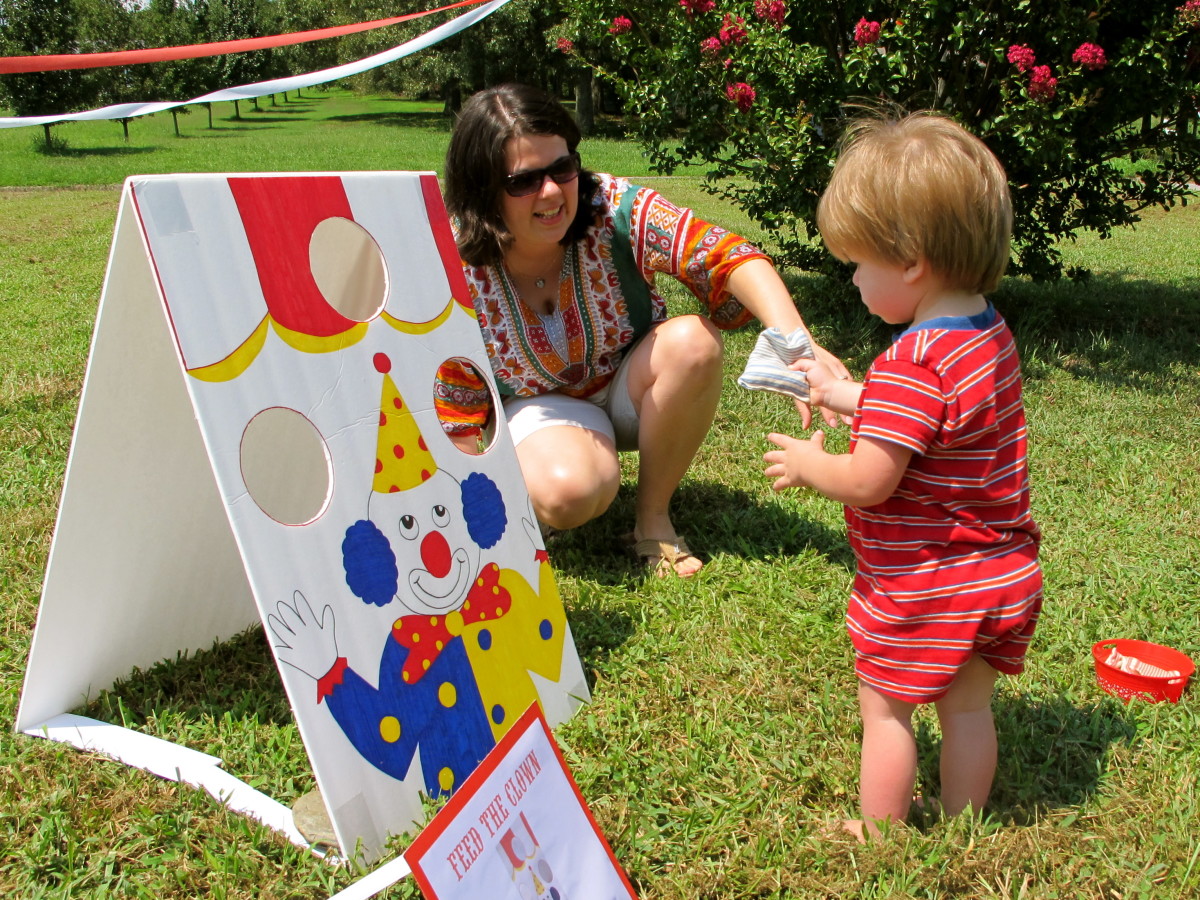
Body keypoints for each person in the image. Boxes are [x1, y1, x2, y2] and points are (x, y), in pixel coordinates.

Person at [761, 113, 1042, 839]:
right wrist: (846, 395)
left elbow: (871, 479)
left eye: (857, 262)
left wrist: (809, 464)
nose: (852, 278)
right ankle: (963, 822)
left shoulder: (911, 362)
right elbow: (940, 424)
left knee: (886, 708)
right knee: (968, 709)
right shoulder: (986, 332)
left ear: (911, 259)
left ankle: (879, 833)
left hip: (926, 583)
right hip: (998, 570)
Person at [441, 83, 847, 577]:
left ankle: (652, 520)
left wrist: (796, 344)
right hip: (536, 407)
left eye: (562, 168)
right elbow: (447, 380)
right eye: (523, 181)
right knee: (571, 493)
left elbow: (725, 254)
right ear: (483, 190)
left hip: (629, 385)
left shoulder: (611, 206)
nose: (551, 192)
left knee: (694, 342)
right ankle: (539, 488)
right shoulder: (452, 260)